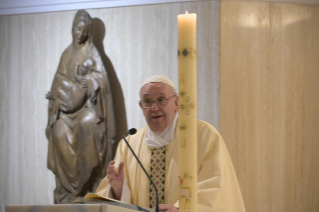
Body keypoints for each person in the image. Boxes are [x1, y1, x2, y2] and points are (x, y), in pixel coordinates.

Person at [95, 75, 246, 212]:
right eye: (147, 101)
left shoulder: (201, 134)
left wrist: (181, 209)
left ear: (176, 103)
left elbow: (216, 185)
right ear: (141, 107)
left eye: (161, 100)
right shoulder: (129, 144)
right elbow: (116, 200)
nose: (154, 108)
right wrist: (118, 189)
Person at [46, 10, 116, 204]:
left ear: (89, 33)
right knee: (58, 129)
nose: (80, 35)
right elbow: (57, 84)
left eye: (84, 32)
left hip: (87, 109)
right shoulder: (66, 55)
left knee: (89, 122)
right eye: (77, 30)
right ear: (72, 29)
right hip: (67, 111)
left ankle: (88, 185)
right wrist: (55, 108)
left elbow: (103, 84)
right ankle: (68, 189)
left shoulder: (93, 54)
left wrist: (90, 80)